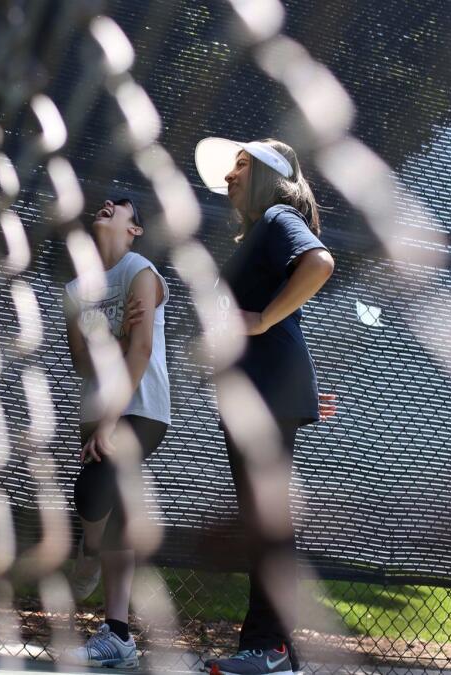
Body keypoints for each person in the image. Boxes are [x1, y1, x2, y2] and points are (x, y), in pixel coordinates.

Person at [193, 138, 336, 675]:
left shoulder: (277, 216)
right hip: (264, 387)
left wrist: (262, 321)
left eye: (242, 165)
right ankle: (278, 653)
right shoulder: (259, 232)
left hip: (265, 390)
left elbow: (319, 264)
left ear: (271, 176)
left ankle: (269, 649)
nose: (230, 177)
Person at [59, 198, 170, 669]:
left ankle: (89, 550)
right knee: (110, 508)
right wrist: (113, 335)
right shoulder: (75, 289)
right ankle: (118, 633)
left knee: (93, 488)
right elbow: (83, 361)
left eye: (120, 206)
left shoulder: (139, 271)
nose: (107, 205)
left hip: (141, 410)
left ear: (136, 230)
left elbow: (141, 351)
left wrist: (108, 425)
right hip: (96, 410)